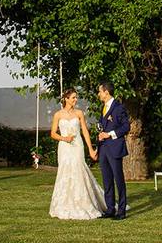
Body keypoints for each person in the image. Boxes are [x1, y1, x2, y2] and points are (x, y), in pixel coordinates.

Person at [48, 88, 107, 220]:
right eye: (73, 97)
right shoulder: (58, 114)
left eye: (76, 97)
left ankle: (84, 203)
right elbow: (52, 133)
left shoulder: (79, 113)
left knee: (79, 170)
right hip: (64, 146)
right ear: (66, 99)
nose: (75, 100)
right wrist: (64, 138)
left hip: (77, 146)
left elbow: (85, 132)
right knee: (65, 172)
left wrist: (91, 149)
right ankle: (64, 204)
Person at [96, 81, 130, 220]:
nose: (98, 94)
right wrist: (100, 133)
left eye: (99, 91)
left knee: (118, 180)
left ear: (106, 92)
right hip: (103, 148)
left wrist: (109, 134)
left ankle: (121, 211)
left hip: (115, 148)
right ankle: (110, 209)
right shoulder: (103, 107)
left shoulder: (119, 107)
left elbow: (126, 127)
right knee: (107, 180)